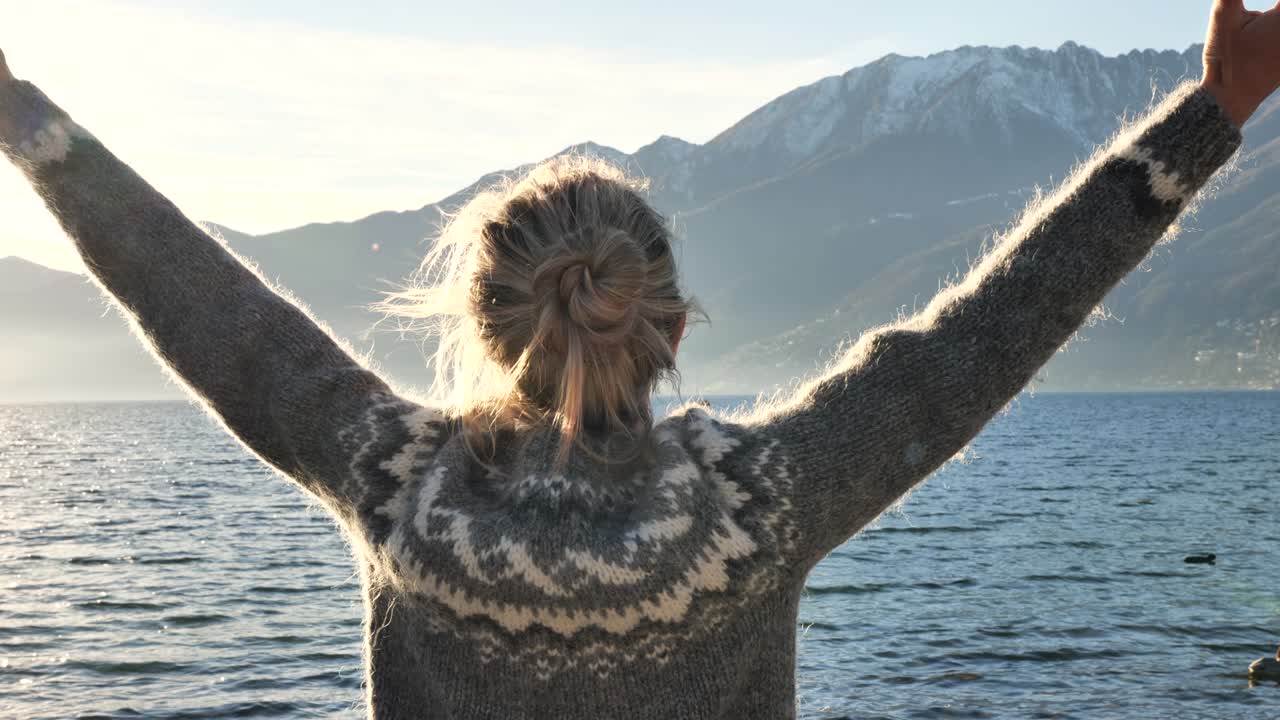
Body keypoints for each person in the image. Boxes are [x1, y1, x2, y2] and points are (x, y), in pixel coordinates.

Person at [0, 1, 1276, 718]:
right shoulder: (757, 509)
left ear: (488, 324)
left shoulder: (399, 486)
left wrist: (23, 118)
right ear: (668, 322)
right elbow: (981, 340)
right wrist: (1211, 113)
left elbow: (203, 300)